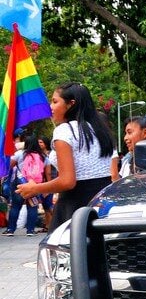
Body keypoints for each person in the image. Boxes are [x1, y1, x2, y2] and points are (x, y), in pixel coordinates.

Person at [16, 83, 115, 230]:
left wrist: (35, 188)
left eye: (55, 102)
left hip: (75, 205)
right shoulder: (99, 129)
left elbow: (68, 181)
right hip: (103, 201)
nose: (51, 106)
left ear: (71, 104)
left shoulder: (65, 131)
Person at [3, 136, 46, 236]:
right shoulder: (42, 156)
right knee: (32, 207)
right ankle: (30, 230)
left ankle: (10, 230)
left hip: (20, 183)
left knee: (15, 207)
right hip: (35, 184)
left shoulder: (19, 154)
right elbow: (45, 171)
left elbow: (10, 165)